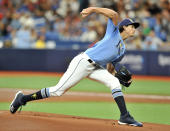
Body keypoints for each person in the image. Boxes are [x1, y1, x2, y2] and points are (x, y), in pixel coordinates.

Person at [10, 7, 143, 127]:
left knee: (113, 82)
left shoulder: (122, 49)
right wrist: (92, 9)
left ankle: (124, 116)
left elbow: (111, 67)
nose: (134, 29)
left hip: (96, 68)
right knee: (58, 91)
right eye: (131, 26)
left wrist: (117, 77)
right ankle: (22, 99)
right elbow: (113, 14)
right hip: (83, 62)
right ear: (124, 27)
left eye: (134, 27)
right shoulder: (113, 32)